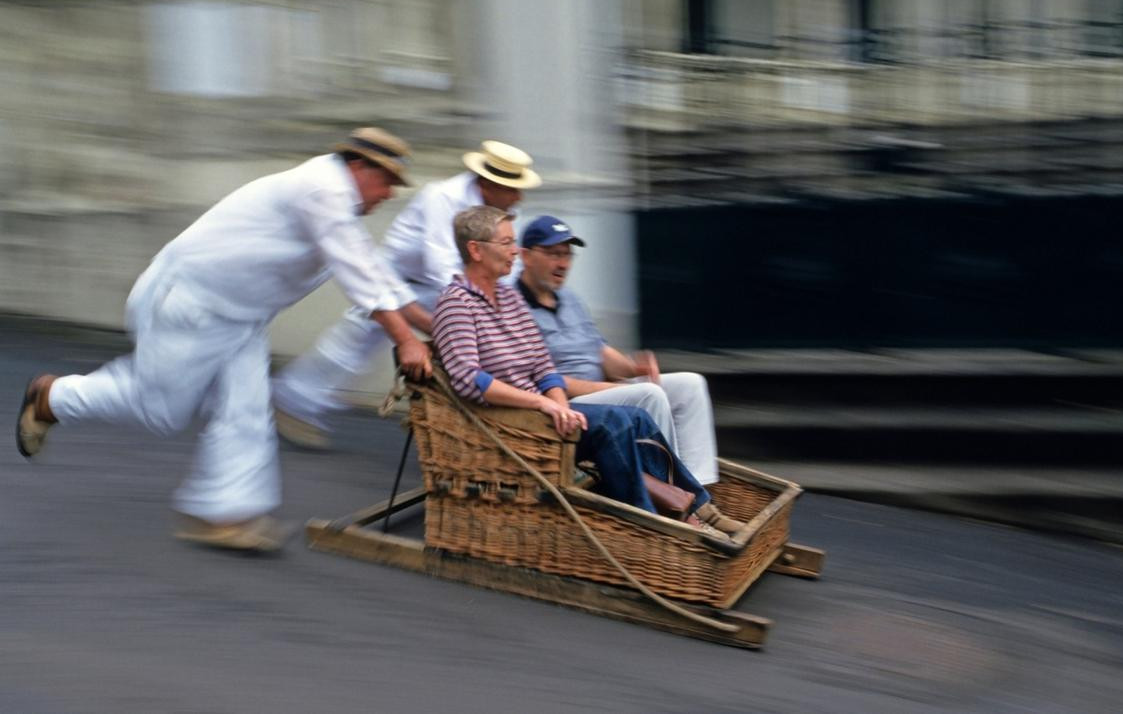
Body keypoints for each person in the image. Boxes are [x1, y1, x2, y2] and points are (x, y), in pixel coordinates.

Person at [15, 127, 433, 553]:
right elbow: (359, 276)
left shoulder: (335, 203)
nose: (389, 194)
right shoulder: (322, 190)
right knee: (158, 408)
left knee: (247, 410)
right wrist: (405, 339)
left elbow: (380, 279)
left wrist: (435, 329)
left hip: (238, 317)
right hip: (190, 304)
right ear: (359, 167)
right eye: (387, 181)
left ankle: (220, 515)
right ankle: (52, 397)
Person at [432, 205, 740, 536]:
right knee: (616, 423)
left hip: (544, 410)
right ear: (476, 250)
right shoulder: (457, 304)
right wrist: (542, 403)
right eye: (505, 243)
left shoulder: (508, 299)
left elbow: (541, 364)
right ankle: (655, 523)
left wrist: (558, 402)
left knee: (638, 418)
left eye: (512, 242)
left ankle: (697, 507)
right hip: (510, 420)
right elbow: (468, 379)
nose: (512, 252)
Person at [272, 140, 540, 448]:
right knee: (353, 345)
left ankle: (486, 431)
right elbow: (441, 264)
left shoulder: (506, 210)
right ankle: (294, 400)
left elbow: (508, 261)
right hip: (397, 279)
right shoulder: (442, 197)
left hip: (447, 289)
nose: (518, 196)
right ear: (488, 183)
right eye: (512, 188)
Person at [516, 216, 735, 531]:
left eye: (566, 254)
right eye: (553, 253)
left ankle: (697, 494)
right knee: (649, 395)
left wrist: (634, 368)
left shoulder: (571, 298)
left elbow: (601, 352)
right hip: (569, 403)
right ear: (526, 255)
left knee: (690, 385)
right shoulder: (514, 309)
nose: (562, 263)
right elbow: (544, 379)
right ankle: (672, 506)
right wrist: (606, 385)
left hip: (604, 387)